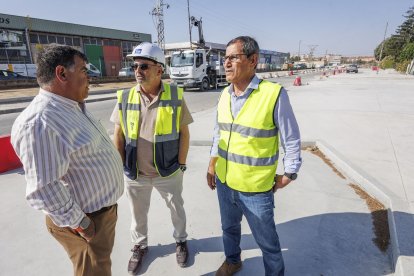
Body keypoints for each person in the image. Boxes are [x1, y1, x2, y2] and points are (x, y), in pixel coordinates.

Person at [11, 44, 124, 276]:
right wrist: (82, 225)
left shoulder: (72, 105)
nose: (90, 77)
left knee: (100, 266)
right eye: (83, 70)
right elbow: (44, 189)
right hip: (85, 223)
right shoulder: (40, 122)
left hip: (100, 215)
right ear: (62, 73)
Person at [206, 36, 302, 276]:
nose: (225, 63)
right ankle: (232, 261)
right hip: (225, 183)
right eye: (224, 58)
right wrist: (212, 164)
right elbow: (219, 133)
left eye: (232, 58)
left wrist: (289, 173)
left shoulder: (273, 94)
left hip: (256, 189)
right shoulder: (224, 94)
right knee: (229, 229)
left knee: (267, 242)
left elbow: (290, 138)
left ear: (252, 60)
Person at [110, 42, 193, 274]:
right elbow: (118, 133)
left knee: (177, 209)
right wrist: (122, 165)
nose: (138, 70)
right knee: (137, 215)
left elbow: (184, 132)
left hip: (168, 170)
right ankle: (140, 246)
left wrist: (182, 163)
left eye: (144, 66)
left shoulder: (175, 96)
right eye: (135, 65)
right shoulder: (125, 97)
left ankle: (181, 241)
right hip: (136, 172)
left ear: (159, 69)